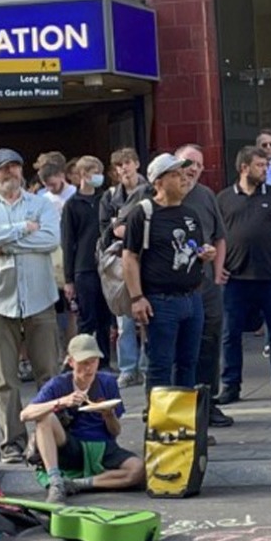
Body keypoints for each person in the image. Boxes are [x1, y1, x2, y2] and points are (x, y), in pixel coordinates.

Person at [0, 148, 62, 463]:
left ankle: (52, 437)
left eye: (15, 168)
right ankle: (12, 444)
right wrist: (23, 229)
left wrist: (5, 245)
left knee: (48, 373)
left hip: (40, 298)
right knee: (4, 378)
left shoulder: (42, 204)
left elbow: (50, 240)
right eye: (4, 170)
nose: (11, 174)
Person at [123, 153, 217, 394]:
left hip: (192, 298)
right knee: (160, 365)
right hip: (160, 301)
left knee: (188, 363)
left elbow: (194, 248)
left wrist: (204, 253)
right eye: (176, 175)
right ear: (159, 182)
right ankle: (159, 425)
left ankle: (182, 425)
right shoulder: (143, 213)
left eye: (184, 173)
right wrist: (137, 298)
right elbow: (130, 257)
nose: (184, 179)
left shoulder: (190, 214)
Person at [20, 334, 142, 503]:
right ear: (71, 362)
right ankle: (56, 482)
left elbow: (115, 431)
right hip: (71, 445)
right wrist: (61, 402)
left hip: (102, 445)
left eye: (93, 361)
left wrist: (109, 415)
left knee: (137, 470)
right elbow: (25, 414)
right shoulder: (59, 384)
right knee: (45, 418)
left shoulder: (107, 383)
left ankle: (78, 484)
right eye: (83, 363)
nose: (89, 368)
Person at [218, 146, 271, 404]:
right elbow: (215, 237)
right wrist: (218, 266)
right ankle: (230, 384)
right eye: (260, 166)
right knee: (230, 333)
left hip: (270, 276)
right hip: (236, 278)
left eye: (266, 165)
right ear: (244, 168)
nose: (265, 170)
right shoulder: (225, 199)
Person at [176, 144, 234, 429]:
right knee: (181, 347)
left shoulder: (206, 195)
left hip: (207, 283)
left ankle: (208, 404)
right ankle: (180, 409)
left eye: (199, 164)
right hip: (175, 286)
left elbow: (220, 236)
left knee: (210, 343)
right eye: (188, 162)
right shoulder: (161, 194)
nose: (194, 168)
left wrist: (218, 268)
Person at [100, 147, 152, 387]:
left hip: (148, 259)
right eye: (120, 165)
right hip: (121, 262)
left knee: (148, 319)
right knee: (124, 320)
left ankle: (147, 366)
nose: (124, 168)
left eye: (128, 163)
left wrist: (122, 227)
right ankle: (128, 368)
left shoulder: (151, 190)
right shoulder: (110, 196)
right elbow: (106, 231)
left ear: (137, 164)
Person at [62, 155, 111, 365]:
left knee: (104, 317)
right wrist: (68, 278)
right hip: (84, 266)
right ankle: (83, 358)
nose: (98, 176)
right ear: (82, 174)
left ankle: (105, 360)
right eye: (93, 172)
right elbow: (68, 241)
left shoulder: (105, 199)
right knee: (86, 318)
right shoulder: (72, 205)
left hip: (105, 265)